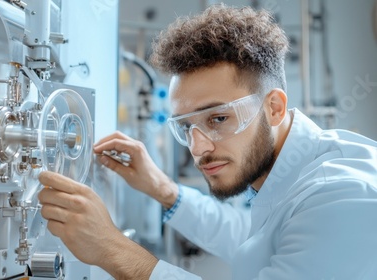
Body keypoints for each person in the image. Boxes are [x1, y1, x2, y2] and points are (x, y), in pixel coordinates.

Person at [38, 4, 377, 279]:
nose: (198, 148)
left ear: (274, 107)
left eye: (218, 119)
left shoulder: (341, 195)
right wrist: (161, 189)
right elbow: (245, 237)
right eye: (186, 127)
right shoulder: (284, 179)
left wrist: (111, 248)